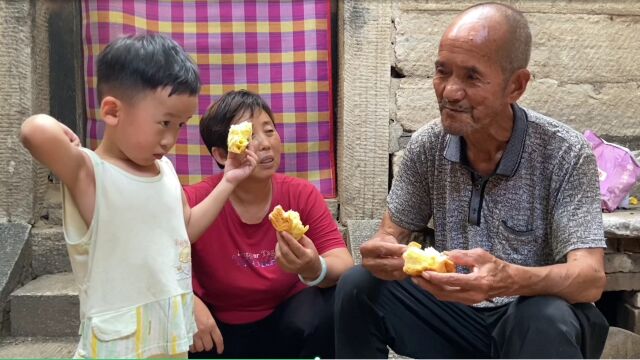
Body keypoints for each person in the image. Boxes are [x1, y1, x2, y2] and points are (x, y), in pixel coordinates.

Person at [334, 2, 609, 358]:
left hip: (528, 325)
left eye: (471, 77)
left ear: (516, 86)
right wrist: (384, 251)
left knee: (545, 314)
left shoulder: (564, 153)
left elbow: (590, 278)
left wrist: (510, 278)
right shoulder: (428, 146)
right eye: (442, 71)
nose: (449, 91)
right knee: (359, 284)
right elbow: (392, 233)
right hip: (454, 314)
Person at [20, 34, 257, 359]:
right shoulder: (91, 174)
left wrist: (228, 181)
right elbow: (33, 132)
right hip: (116, 347)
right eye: (163, 123)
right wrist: (58, 129)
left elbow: (183, 231)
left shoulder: (166, 173)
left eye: (180, 125)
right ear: (113, 111)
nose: (171, 138)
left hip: (169, 342)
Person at [184, 90, 353, 359]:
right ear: (219, 153)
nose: (265, 144)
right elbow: (153, 263)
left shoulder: (300, 194)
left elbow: (343, 263)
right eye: (249, 136)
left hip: (287, 320)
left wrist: (313, 267)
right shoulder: (195, 201)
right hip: (217, 328)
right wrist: (186, 302)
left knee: (342, 296)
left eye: (269, 131)